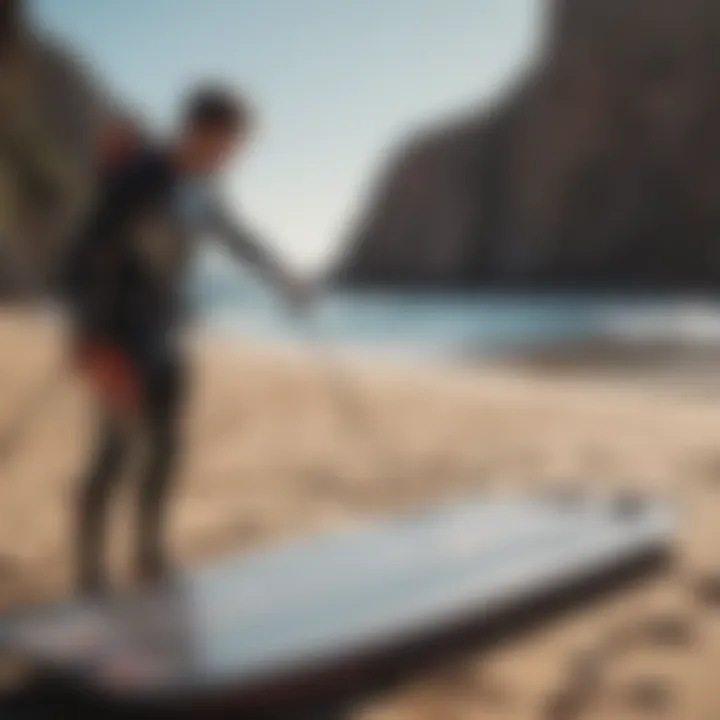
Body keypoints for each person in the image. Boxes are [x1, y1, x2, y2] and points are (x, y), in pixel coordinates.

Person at [67, 84, 308, 595]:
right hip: (118, 338)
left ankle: (149, 557)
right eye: (229, 144)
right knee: (114, 453)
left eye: (237, 148)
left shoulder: (206, 188)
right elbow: (85, 256)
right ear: (199, 133)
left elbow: (238, 238)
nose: (232, 156)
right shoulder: (140, 177)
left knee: (168, 449)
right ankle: (90, 574)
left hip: (167, 333)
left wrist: (282, 276)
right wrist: (89, 340)